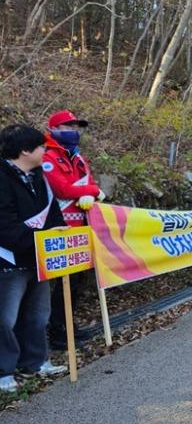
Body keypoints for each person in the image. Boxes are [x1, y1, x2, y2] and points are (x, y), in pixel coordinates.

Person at [1, 124, 69, 393]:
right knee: (5, 319)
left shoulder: (40, 177)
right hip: (8, 260)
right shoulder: (3, 178)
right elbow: (4, 224)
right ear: (25, 150)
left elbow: (53, 213)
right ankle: (4, 370)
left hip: (40, 257)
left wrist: (57, 235)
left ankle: (36, 362)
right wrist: (38, 239)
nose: (46, 151)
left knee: (38, 315)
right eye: (42, 147)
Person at [42, 110, 106, 349]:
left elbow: (90, 183)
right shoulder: (48, 157)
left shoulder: (77, 157)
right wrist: (90, 192)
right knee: (63, 283)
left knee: (77, 281)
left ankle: (68, 325)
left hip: (82, 226)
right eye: (68, 126)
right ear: (54, 130)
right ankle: (57, 331)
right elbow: (63, 190)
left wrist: (91, 191)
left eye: (77, 127)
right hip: (59, 229)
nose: (74, 131)